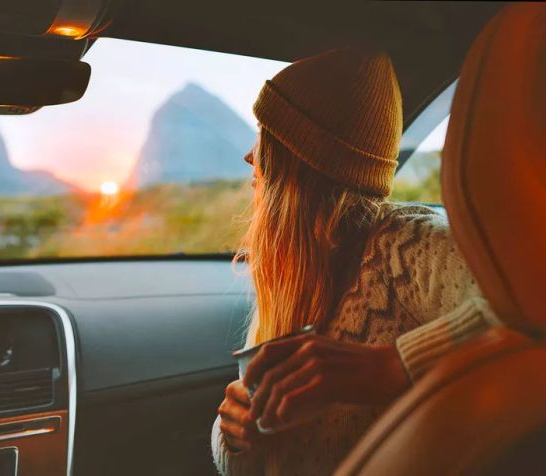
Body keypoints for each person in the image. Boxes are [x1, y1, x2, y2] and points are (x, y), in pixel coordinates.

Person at [211, 47, 500, 475]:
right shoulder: (295, 270)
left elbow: (524, 306)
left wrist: (390, 367)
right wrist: (232, 436)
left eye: (265, 135)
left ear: (301, 158)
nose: (250, 156)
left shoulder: (405, 245)